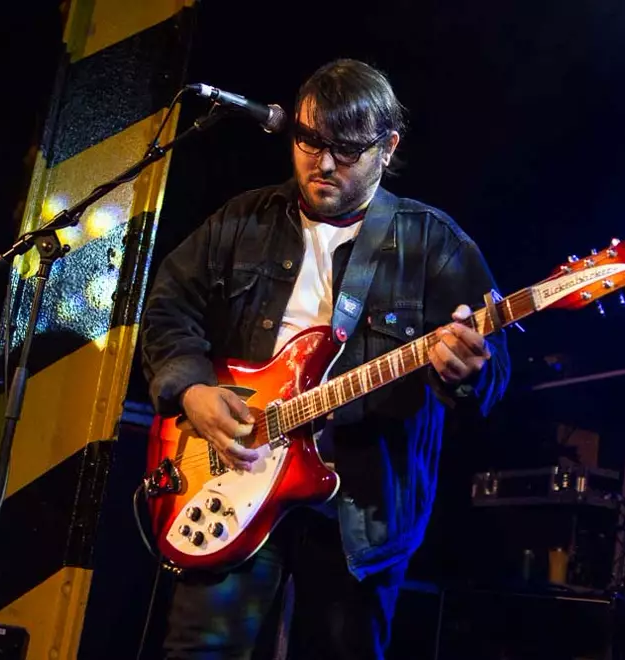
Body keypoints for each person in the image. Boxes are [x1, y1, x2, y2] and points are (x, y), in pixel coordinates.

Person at [140, 58, 510, 659]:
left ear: (388, 147)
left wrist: (469, 371)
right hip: (232, 480)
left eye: (346, 149)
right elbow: (165, 308)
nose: (323, 163)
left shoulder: (432, 243)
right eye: (309, 141)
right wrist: (191, 391)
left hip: (357, 518)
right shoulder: (244, 219)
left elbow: (494, 374)